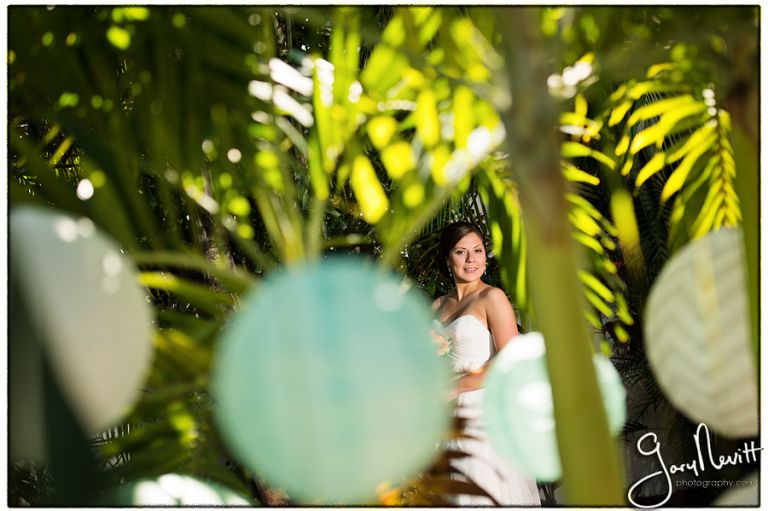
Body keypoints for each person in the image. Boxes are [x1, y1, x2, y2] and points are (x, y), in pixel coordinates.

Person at [432, 221, 540, 506]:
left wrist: (456, 387)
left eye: (477, 251)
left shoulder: (492, 297)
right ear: (447, 257)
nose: (472, 260)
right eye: (461, 252)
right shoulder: (438, 306)